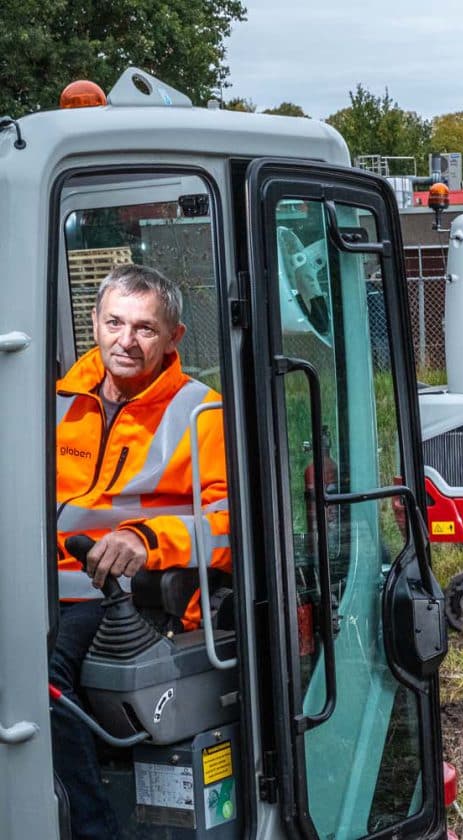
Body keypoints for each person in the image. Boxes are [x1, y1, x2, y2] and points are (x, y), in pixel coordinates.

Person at [51, 263, 229, 839]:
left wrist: (147, 540)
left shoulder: (203, 413)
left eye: (145, 329)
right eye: (114, 323)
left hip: (125, 595)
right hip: (36, 581)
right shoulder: (55, 401)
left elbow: (229, 526)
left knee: (41, 677)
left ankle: (89, 828)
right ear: (94, 325)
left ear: (174, 337)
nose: (126, 341)